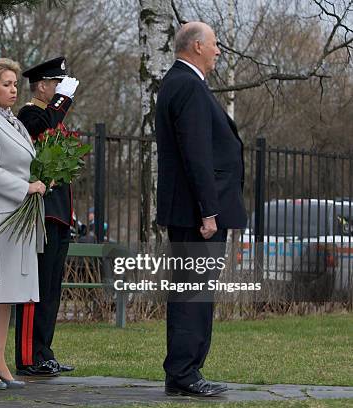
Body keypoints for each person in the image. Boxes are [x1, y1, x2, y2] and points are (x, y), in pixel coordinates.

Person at [155, 22, 247, 397]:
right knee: (193, 293)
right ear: (196, 46)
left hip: (193, 211)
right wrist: (208, 211)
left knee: (194, 292)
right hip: (197, 214)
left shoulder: (183, 82)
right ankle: (184, 373)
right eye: (215, 45)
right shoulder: (188, 85)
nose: (219, 51)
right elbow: (196, 153)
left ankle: (185, 371)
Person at [0, 58, 46, 390]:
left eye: (16, 84)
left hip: (21, 213)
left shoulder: (13, 120)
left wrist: (41, 179)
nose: (14, 89)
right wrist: (24, 186)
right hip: (2, 212)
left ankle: (0, 360)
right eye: (6, 84)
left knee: (8, 296)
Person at [15, 57, 79, 377]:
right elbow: (41, 126)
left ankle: (45, 351)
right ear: (42, 85)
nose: (59, 89)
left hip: (57, 214)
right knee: (35, 288)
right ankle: (29, 355)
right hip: (38, 213)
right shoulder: (29, 113)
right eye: (56, 83)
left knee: (51, 289)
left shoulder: (51, 114)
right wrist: (62, 99)